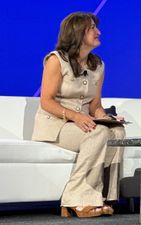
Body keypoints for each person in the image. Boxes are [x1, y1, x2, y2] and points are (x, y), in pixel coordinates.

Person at [31, 12, 125, 218]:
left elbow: (95, 106)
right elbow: (46, 101)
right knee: (98, 133)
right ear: (78, 33)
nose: (98, 32)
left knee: (117, 132)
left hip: (82, 124)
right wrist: (75, 116)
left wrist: (105, 118)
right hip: (55, 125)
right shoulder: (57, 60)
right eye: (92, 28)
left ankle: (103, 196)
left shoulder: (98, 65)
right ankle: (76, 199)